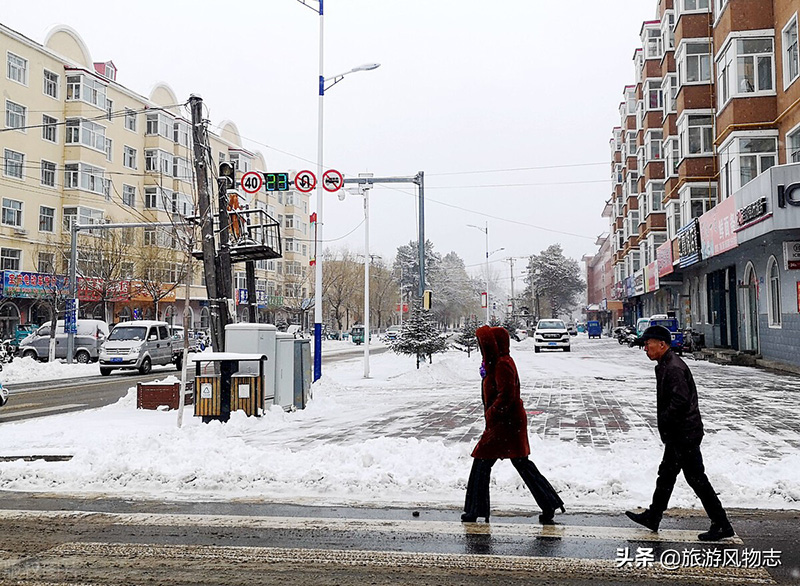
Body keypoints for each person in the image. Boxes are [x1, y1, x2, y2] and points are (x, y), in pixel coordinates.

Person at [626, 325, 734, 541]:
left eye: (648, 344)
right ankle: (654, 516)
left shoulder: (673, 368)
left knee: (696, 479)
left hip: (684, 435)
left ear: (662, 344)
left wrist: (666, 421)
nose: (646, 348)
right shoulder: (665, 364)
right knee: (666, 475)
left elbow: (680, 401)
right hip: (680, 434)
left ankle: (722, 524)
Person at [462, 326, 564, 524]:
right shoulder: (498, 362)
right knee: (521, 464)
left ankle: (475, 510)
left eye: (484, 344)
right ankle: (549, 503)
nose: (482, 348)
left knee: (481, 463)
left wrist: (492, 412)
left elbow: (507, 395)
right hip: (507, 423)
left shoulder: (502, 364)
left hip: (504, 425)